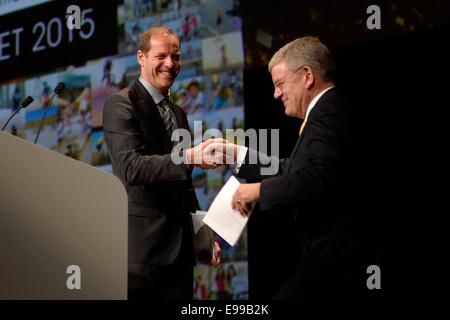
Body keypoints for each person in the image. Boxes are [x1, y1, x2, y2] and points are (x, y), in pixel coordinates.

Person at [207, 36, 378, 300]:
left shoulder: (330, 110)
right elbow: (295, 170)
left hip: (339, 256)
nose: (276, 94)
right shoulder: (326, 111)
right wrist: (236, 153)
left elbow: (318, 175)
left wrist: (258, 191)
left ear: (307, 75)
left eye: (280, 84)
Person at [103, 26, 221, 300]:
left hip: (180, 256)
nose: (170, 64)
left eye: (176, 56)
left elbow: (184, 185)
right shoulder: (121, 104)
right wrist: (190, 156)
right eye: (161, 56)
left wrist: (203, 237)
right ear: (141, 57)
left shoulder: (177, 112)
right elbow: (132, 167)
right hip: (143, 256)